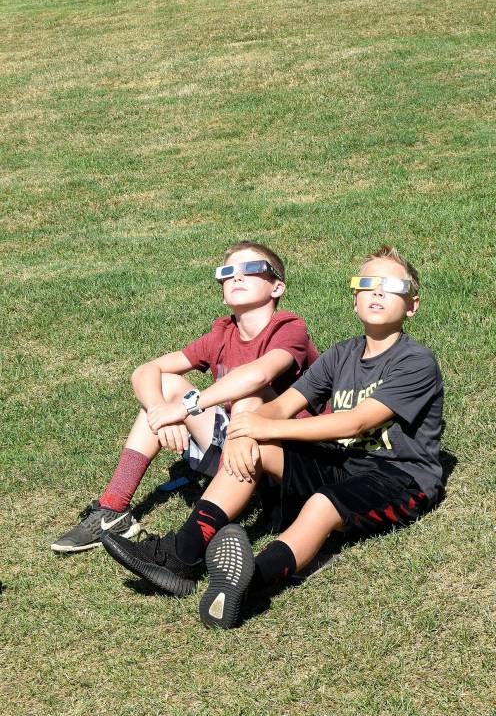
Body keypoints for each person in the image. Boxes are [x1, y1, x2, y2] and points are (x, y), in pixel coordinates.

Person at [102, 245, 444, 629]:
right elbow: (280, 406)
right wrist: (245, 430)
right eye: (367, 284)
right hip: (342, 462)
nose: (377, 291)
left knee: (321, 505)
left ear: (412, 306)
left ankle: (251, 584)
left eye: (392, 286)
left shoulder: (415, 361)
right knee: (256, 445)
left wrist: (263, 427)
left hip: (399, 477)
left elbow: (355, 422)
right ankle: (181, 557)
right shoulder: (341, 355)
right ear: (354, 300)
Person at [51, 241, 318, 553]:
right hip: (238, 446)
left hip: (291, 455)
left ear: (277, 287)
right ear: (222, 293)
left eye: (251, 269)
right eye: (227, 272)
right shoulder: (223, 333)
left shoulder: (289, 328)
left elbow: (257, 376)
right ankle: (113, 508)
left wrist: (183, 408)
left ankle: (209, 526)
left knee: (250, 395)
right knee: (164, 383)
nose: (237, 276)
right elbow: (146, 370)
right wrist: (160, 412)